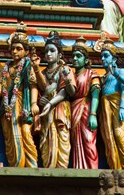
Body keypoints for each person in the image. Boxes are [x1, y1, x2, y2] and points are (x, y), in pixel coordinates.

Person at [0, 24, 39, 167]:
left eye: (19, 49)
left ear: (26, 51)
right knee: (9, 139)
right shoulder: (5, 68)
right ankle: (15, 164)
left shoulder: (27, 66)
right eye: (13, 48)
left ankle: (31, 164)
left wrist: (34, 103)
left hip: (22, 105)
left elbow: (33, 85)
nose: (14, 52)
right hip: (6, 108)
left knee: (25, 134)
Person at [35, 30, 76, 168]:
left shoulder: (65, 69)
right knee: (45, 140)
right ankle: (49, 167)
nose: (48, 54)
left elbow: (69, 92)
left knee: (62, 138)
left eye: (52, 50)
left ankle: (61, 169)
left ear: (59, 54)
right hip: (46, 115)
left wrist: (51, 103)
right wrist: (41, 100)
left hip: (60, 111)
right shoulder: (42, 73)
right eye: (46, 51)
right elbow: (39, 91)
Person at [99, 41, 124, 169]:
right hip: (105, 106)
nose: (102, 59)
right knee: (108, 137)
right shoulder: (104, 76)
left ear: (113, 58)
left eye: (106, 56)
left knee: (119, 134)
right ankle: (115, 167)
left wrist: (122, 106)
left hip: (117, 103)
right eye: (102, 56)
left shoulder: (121, 71)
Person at [71, 37, 100, 169]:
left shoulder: (91, 73)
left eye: (78, 56)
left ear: (86, 60)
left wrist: (93, 114)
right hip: (73, 110)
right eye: (73, 56)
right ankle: (79, 169)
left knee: (89, 141)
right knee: (76, 143)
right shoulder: (71, 76)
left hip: (87, 109)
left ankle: (92, 169)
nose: (75, 59)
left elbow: (95, 95)